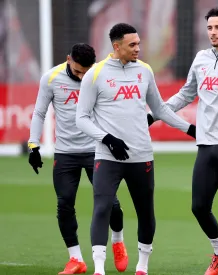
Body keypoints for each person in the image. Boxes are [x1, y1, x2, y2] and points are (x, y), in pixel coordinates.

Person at [76, 23, 195, 275]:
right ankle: (99, 268)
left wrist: (190, 129)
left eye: (139, 43)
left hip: (141, 155)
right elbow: (82, 118)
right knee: (102, 208)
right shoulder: (95, 74)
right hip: (107, 156)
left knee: (145, 211)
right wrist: (107, 139)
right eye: (132, 45)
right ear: (116, 46)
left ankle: (142, 266)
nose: (138, 49)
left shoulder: (145, 71)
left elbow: (160, 109)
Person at [149, 8, 218, 275]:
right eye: (209, 28)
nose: (213, 32)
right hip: (206, 144)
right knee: (199, 206)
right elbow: (186, 93)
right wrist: (156, 113)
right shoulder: (200, 59)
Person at [28, 43, 127, 274]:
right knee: (64, 205)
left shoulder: (101, 75)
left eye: (86, 71)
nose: (83, 77)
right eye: (78, 71)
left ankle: (118, 241)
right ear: (68, 59)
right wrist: (34, 145)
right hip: (65, 153)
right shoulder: (50, 78)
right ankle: (76, 260)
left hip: (98, 150)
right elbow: (39, 112)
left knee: (111, 204)